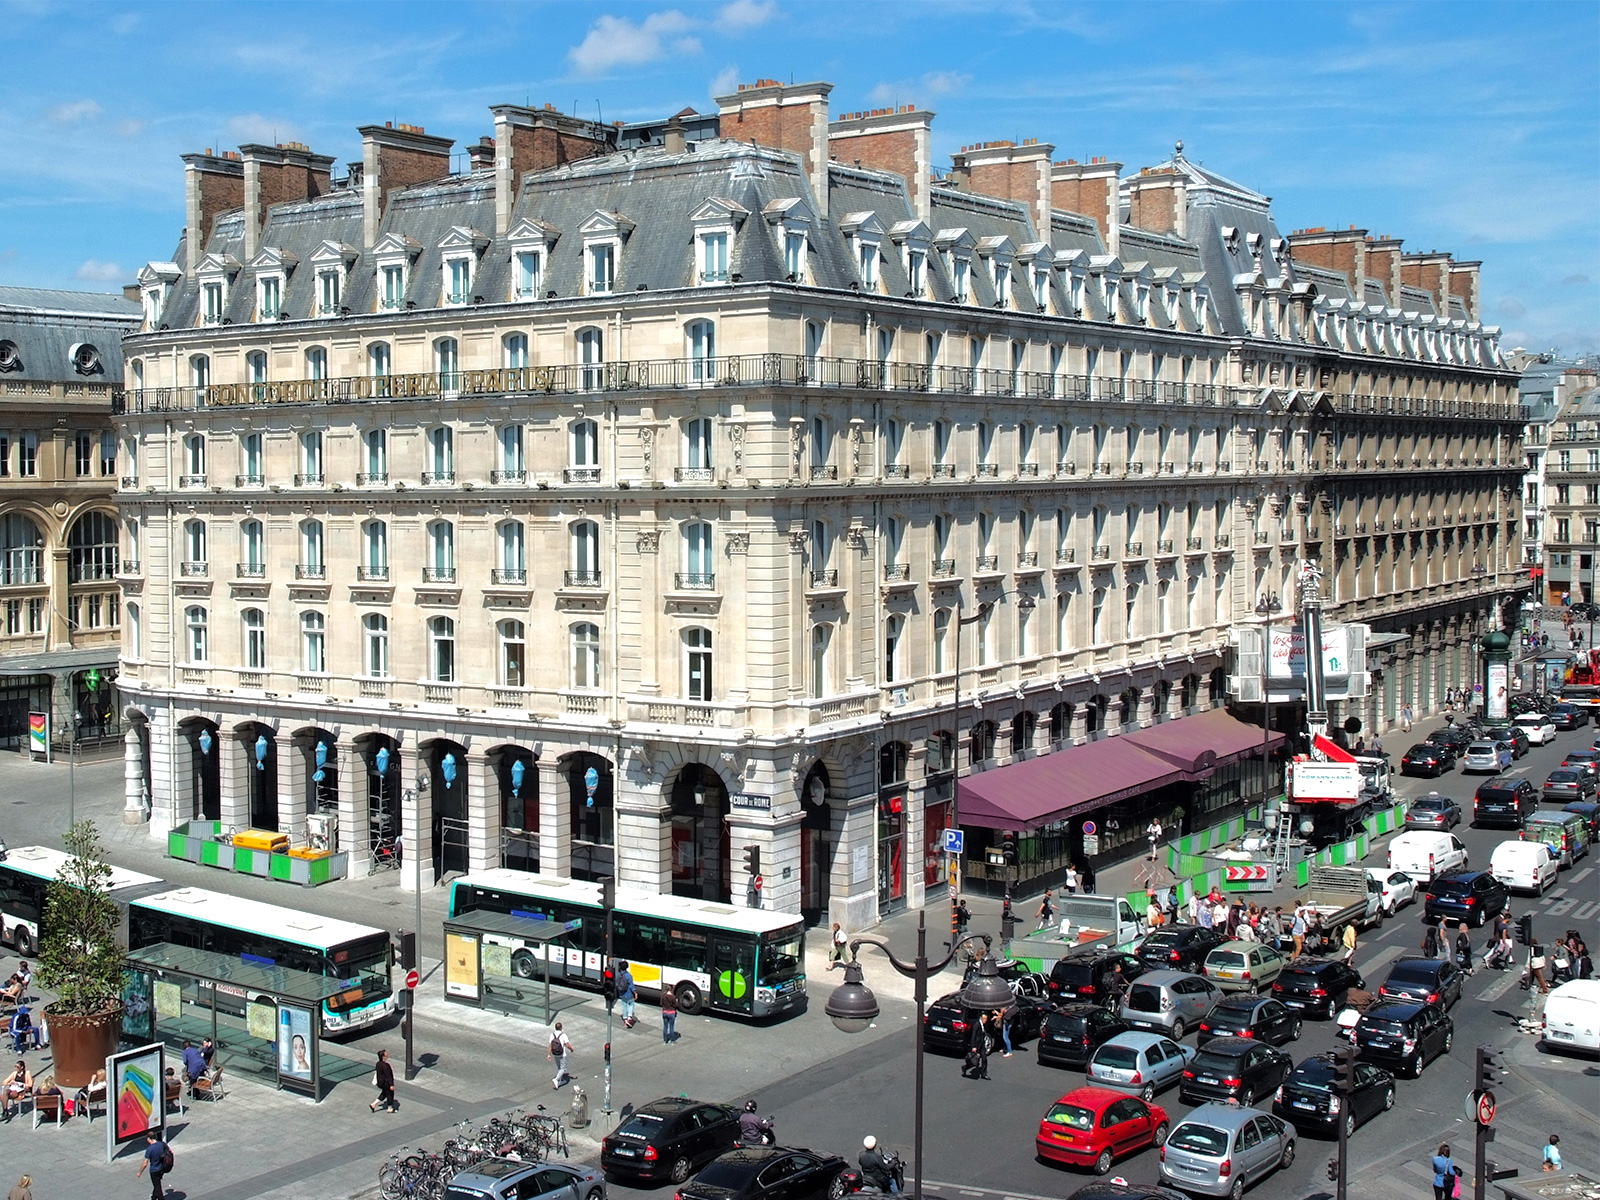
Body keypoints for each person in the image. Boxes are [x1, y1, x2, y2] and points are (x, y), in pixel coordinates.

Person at [136, 1129, 169, 1200]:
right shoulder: (160, 1144)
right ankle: (153, 1197)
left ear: (148, 1139)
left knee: (158, 1187)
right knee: (157, 1184)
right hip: (161, 1168)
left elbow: (145, 1163)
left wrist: (140, 1172)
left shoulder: (149, 1149)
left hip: (154, 1170)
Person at [370, 1047, 397, 1113]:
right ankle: (390, 1108)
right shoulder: (386, 1065)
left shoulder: (378, 1064)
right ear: (383, 1057)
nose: (387, 1056)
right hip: (386, 1083)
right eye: (386, 1055)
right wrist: (391, 1085)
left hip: (381, 1082)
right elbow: (388, 1076)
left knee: (384, 1093)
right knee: (390, 1094)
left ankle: (373, 1104)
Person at [548, 1020, 574, 1088]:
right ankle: (556, 1079)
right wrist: (571, 1049)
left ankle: (560, 1080)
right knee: (562, 1068)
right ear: (561, 1028)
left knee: (559, 1067)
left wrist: (549, 1054)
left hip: (555, 1053)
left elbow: (550, 1045)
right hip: (562, 1054)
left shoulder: (552, 1035)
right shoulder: (563, 1035)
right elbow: (567, 1044)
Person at [616, 960, 637, 1028]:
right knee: (631, 1004)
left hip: (621, 993)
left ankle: (625, 1018)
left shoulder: (617, 974)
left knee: (624, 1005)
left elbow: (616, 984)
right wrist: (635, 993)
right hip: (629, 993)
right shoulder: (629, 975)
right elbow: (631, 986)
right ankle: (629, 1017)